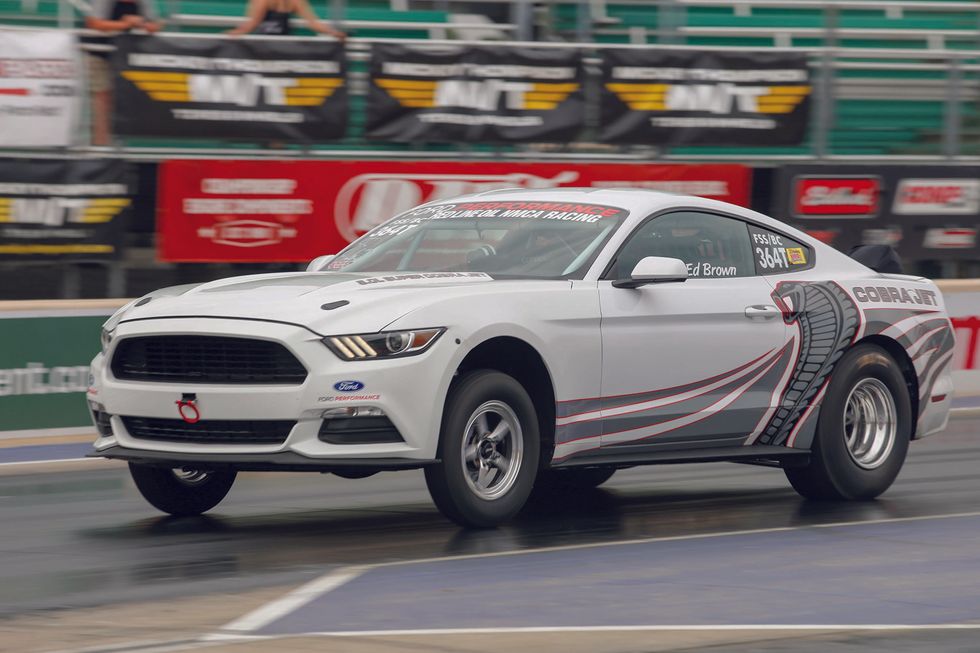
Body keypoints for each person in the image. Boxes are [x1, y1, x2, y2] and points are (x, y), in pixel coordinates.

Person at [84, 0, 163, 146]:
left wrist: (143, 24)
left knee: (121, 103)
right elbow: (94, 23)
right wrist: (124, 24)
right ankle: (100, 150)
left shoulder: (145, 3)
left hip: (125, 57)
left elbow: (155, 25)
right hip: (99, 54)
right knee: (102, 102)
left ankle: (116, 149)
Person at [227, 0, 347, 38]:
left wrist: (333, 33)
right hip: (268, 48)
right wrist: (236, 33)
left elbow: (313, 23)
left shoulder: (295, 1)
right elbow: (251, 23)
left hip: (282, 48)